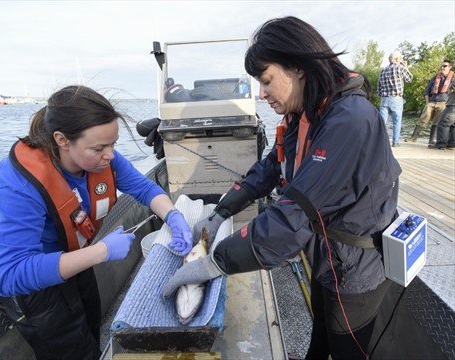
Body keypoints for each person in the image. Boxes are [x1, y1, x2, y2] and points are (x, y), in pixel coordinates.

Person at [163, 16, 402, 360]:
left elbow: (293, 217)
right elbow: (271, 168)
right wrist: (221, 211)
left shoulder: (350, 121)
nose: (261, 95)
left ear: (297, 68)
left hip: (354, 269)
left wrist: (213, 264)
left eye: (266, 81)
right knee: (320, 328)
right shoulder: (304, 113)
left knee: (346, 347)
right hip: (327, 255)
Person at [0, 85, 193, 360]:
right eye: (100, 148)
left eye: (113, 144)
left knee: (90, 319)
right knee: (68, 346)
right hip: (28, 273)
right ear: (62, 140)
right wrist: (101, 251)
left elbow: (145, 189)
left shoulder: (102, 159)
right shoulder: (17, 184)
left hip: (74, 254)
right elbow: (9, 275)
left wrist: (173, 215)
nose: (111, 155)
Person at [405, 59, 454, 144]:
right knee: (423, 118)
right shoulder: (435, 77)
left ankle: (432, 139)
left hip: (443, 102)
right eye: (442, 66)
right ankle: (413, 137)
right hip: (432, 101)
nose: (443, 67)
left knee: (437, 120)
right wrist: (427, 102)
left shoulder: (453, 78)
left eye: (445, 66)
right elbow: (427, 91)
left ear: (450, 67)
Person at [377, 51, 413, 147]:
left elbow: (379, 86)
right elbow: (409, 79)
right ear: (397, 59)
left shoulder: (383, 70)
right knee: (397, 121)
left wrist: (382, 95)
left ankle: (380, 141)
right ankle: (395, 142)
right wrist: (406, 67)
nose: (402, 60)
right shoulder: (399, 68)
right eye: (400, 59)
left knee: (382, 122)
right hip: (396, 98)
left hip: (384, 99)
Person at [429, 78, 455, 150]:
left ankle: (441, 144)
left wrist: (450, 89)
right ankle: (452, 144)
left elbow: (451, 88)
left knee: (443, 123)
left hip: (452, 104)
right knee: (453, 124)